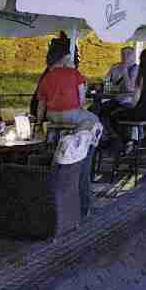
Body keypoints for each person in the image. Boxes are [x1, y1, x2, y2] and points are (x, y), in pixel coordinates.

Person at [36, 37, 100, 218]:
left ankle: (78, 138)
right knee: (95, 121)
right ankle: (89, 145)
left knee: (84, 121)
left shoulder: (47, 76)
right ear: (66, 59)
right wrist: (78, 111)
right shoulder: (74, 74)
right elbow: (81, 99)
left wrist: (40, 122)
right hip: (71, 114)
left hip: (52, 116)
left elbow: (41, 103)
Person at [113, 48, 146, 181]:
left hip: (143, 113)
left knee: (114, 115)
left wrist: (127, 106)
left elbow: (135, 100)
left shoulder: (141, 76)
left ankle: (126, 141)